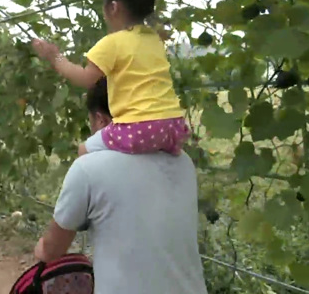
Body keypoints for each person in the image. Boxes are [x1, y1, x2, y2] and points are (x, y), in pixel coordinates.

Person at [34, 78, 207, 293]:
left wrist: (41, 249)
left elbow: (52, 250)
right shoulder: (183, 162)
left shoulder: (88, 169)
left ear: (100, 119)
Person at [32, 0, 189, 158]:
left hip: (141, 126)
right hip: (174, 126)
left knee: (84, 150)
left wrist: (55, 57)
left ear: (113, 8)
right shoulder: (153, 39)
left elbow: (85, 79)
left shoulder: (113, 43)